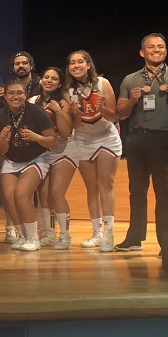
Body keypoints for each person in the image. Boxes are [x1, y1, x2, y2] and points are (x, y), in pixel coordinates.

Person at [115, 33, 168, 255]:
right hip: (136, 139)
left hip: (164, 139)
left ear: (166, 51)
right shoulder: (130, 80)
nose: (156, 50)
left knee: (163, 192)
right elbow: (121, 113)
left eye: (160, 47)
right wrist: (132, 101)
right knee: (136, 191)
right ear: (142, 52)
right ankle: (134, 238)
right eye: (151, 47)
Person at [65, 49, 122, 252]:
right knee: (92, 187)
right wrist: (74, 113)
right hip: (82, 139)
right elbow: (74, 125)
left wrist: (102, 108)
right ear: (69, 68)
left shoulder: (103, 83)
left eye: (80, 61)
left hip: (106, 137)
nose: (76, 65)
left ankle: (109, 233)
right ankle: (97, 233)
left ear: (88, 65)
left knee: (106, 183)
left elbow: (113, 116)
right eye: (72, 63)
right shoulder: (67, 91)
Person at [0, 80, 57, 251]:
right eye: (11, 93)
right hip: (12, 160)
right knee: (8, 195)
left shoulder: (37, 112)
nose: (15, 96)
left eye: (19, 93)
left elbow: (53, 141)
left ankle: (33, 238)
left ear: (26, 95)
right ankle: (23, 235)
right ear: (5, 96)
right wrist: (4, 140)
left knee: (21, 193)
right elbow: (0, 150)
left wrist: (37, 137)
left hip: (36, 158)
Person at [29, 67, 77, 250]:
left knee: (56, 193)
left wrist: (57, 111)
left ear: (59, 83)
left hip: (64, 149)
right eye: (46, 77)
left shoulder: (63, 103)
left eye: (54, 79)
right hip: (42, 151)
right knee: (43, 195)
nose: (49, 80)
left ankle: (65, 236)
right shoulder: (33, 101)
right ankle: (49, 234)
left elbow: (65, 133)